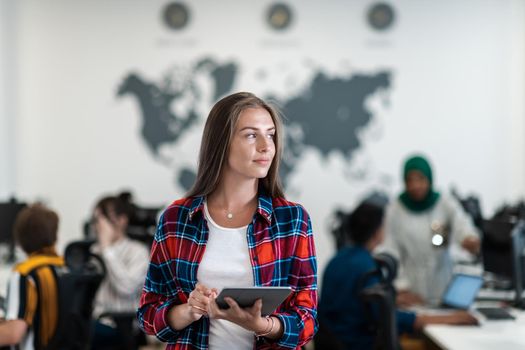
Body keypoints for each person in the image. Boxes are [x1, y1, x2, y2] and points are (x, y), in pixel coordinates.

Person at [138, 92, 318, 349]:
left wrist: (261, 325)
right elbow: (148, 315)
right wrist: (189, 310)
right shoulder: (176, 219)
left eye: (270, 134)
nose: (266, 146)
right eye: (251, 135)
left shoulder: (292, 220)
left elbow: (307, 320)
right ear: (221, 143)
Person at [318, 200, 477, 350]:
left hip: (334, 342)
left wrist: (393, 298)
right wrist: (446, 319)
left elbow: (353, 302)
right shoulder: (367, 267)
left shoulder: (336, 261)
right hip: (358, 343)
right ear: (377, 231)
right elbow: (388, 319)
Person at [380, 155, 480, 307]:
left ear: (429, 178)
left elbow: (462, 224)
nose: (415, 185)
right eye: (410, 181)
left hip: (442, 284)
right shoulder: (396, 209)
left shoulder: (443, 203)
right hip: (411, 289)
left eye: (420, 179)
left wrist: (469, 239)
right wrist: (401, 287)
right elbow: (391, 249)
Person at [0, 204, 64, 349]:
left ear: (20, 239)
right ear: (55, 236)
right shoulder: (65, 268)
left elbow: (13, 334)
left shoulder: (25, 274)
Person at [90, 194, 150, 349]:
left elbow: (127, 288)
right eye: (97, 220)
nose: (100, 226)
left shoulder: (138, 251)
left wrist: (107, 249)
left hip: (122, 326)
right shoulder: (93, 251)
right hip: (95, 321)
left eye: (105, 219)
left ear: (122, 220)